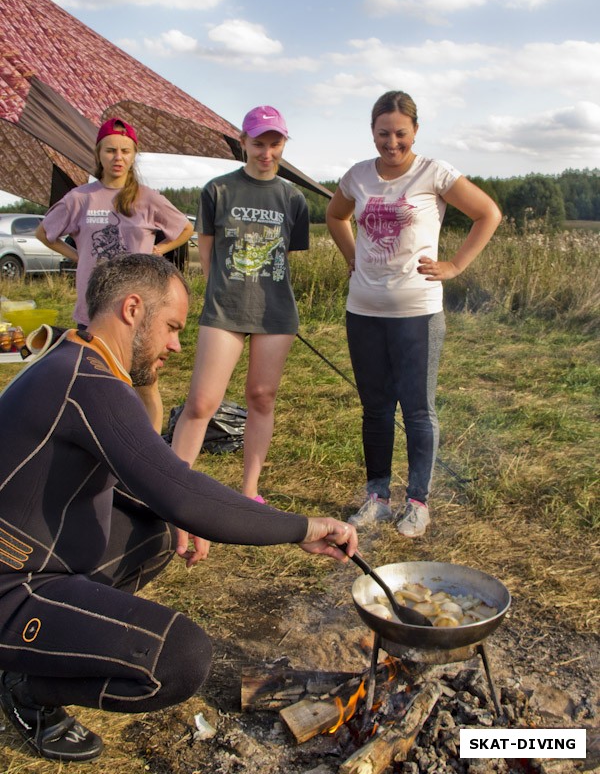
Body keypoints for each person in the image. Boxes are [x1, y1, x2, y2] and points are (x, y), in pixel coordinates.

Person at [0, 254, 357, 763]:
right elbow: (181, 492)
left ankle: (49, 642)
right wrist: (302, 527)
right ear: (131, 309)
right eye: (170, 327)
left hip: (33, 552)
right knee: (179, 659)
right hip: (12, 582)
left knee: (159, 530)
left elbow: (153, 479)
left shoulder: (77, 357)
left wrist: (175, 510)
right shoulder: (87, 383)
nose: (175, 343)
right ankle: (29, 688)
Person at [326, 90, 502, 538]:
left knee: (418, 410)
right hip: (363, 310)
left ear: (415, 131)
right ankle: (377, 497)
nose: (391, 143)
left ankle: (418, 502)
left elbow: (487, 213)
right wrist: (353, 258)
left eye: (400, 133)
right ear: (372, 132)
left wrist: (456, 265)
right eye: (383, 133)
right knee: (375, 409)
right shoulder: (357, 177)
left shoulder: (434, 173)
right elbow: (335, 217)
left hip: (418, 312)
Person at [171, 105, 309, 553]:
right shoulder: (218, 190)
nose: (267, 152)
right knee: (202, 403)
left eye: (275, 143)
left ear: (283, 145)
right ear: (243, 142)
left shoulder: (293, 199)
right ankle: (171, 494)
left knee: (261, 397)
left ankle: (250, 490)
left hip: (275, 315)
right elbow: (206, 254)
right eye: (259, 143)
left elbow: (286, 262)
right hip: (225, 310)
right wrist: (221, 296)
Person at [35, 116, 194, 432]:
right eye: (110, 151)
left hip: (140, 311)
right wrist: (77, 254)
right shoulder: (81, 198)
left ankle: (149, 450)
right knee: (97, 384)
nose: (117, 158)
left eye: (124, 151)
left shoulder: (147, 198)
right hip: (94, 309)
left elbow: (185, 228)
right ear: (99, 155)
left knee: (144, 384)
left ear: (134, 155)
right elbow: (45, 233)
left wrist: (158, 251)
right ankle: (103, 446)